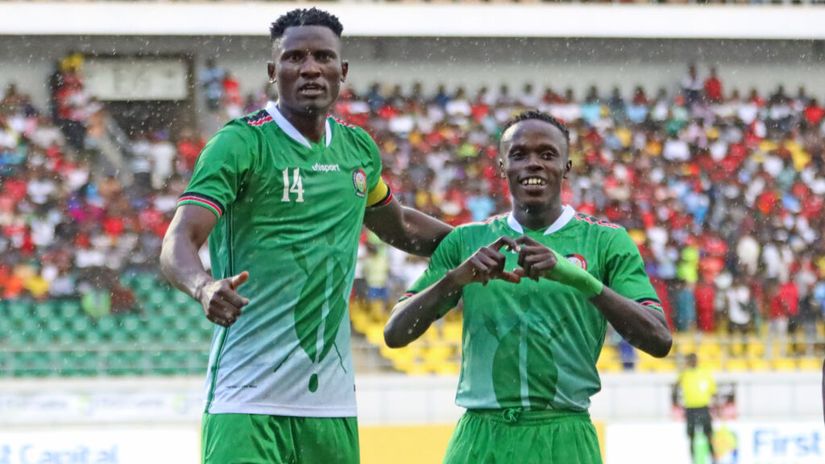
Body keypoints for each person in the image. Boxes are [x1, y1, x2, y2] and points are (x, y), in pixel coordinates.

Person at [160, 8, 451, 464]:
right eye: (295, 58)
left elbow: (399, 225)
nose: (310, 68)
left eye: (323, 57)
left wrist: (475, 241)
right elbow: (179, 238)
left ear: (343, 72)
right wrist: (203, 286)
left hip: (330, 407)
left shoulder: (357, 150)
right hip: (247, 400)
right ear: (274, 73)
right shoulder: (240, 143)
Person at [384, 110, 672, 463]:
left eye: (547, 154)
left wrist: (577, 277)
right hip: (480, 438)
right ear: (503, 166)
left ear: (567, 166)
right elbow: (395, 333)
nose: (533, 164)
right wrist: (455, 279)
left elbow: (659, 339)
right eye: (519, 155)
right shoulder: (467, 241)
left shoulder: (606, 242)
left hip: (564, 436)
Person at [677, 353, 717, 464]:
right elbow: (676, 385)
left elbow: (713, 391)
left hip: (703, 407)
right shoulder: (684, 374)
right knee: (691, 437)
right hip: (690, 409)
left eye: (693, 359)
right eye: (690, 360)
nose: (692, 361)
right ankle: (694, 461)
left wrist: (716, 408)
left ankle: (714, 460)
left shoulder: (705, 372)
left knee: (709, 435)